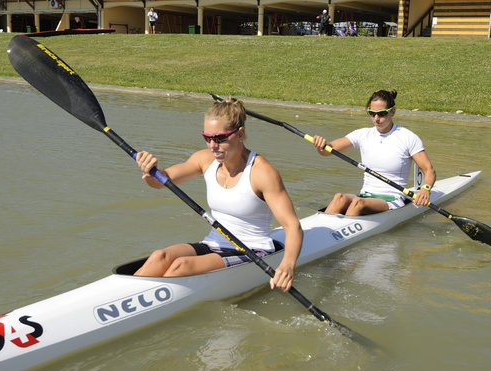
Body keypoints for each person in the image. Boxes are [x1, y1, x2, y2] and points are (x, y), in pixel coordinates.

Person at [134, 98, 303, 292]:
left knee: (181, 266)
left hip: (252, 249)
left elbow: (292, 226)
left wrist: (287, 265)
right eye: (207, 138)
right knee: (159, 257)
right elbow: (164, 180)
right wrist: (151, 171)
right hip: (214, 242)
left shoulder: (262, 172)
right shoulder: (204, 160)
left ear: (240, 134)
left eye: (220, 138)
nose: (212, 145)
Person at [312, 89, 436, 216]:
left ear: (393, 111)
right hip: (365, 196)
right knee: (339, 198)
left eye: (381, 113)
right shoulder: (362, 134)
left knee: (357, 203)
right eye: (372, 113)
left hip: (392, 199)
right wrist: (321, 145)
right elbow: (328, 150)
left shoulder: (407, 137)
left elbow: (428, 170)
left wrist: (425, 189)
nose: (376, 118)